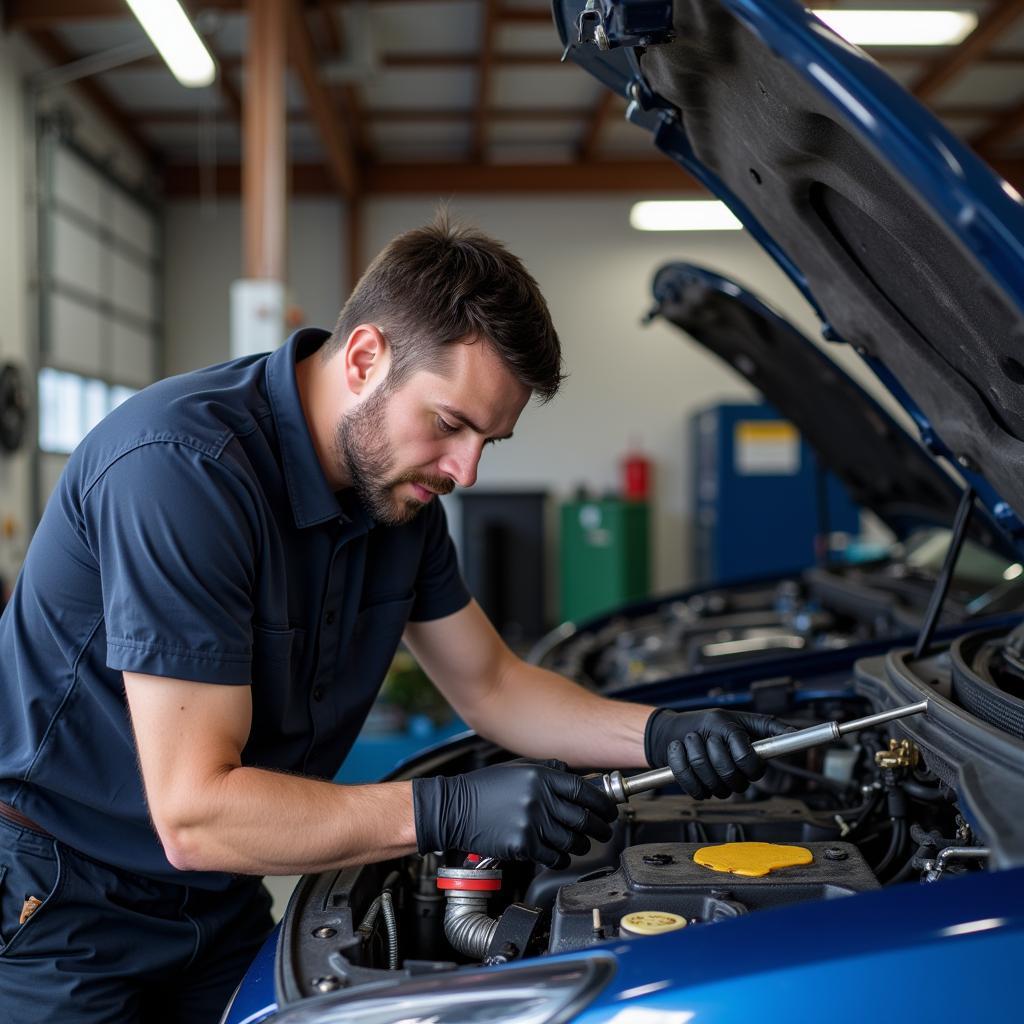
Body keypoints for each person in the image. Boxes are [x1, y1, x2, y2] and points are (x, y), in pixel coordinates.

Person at [0, 215, 788, 1021]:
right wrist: (449, 809)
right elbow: (196, 813)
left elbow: (494, 684)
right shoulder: (182, 473)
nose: (466, 471)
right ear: (366, 356)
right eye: (451, 424)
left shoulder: (398, 507)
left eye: (492, 441)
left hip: (215, 900)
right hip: (64, 903)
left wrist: (662, 733)